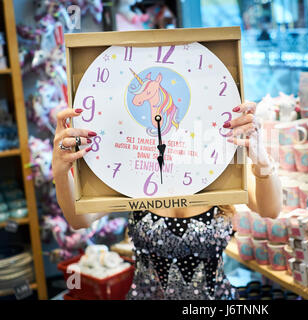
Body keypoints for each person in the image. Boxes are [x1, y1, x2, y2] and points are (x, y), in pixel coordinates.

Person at [52, 101, 282, 300]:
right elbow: (79, 218)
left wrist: (259, 155)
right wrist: (60, 169)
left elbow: (270, 209)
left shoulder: (221, 161)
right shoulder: (134, 169)